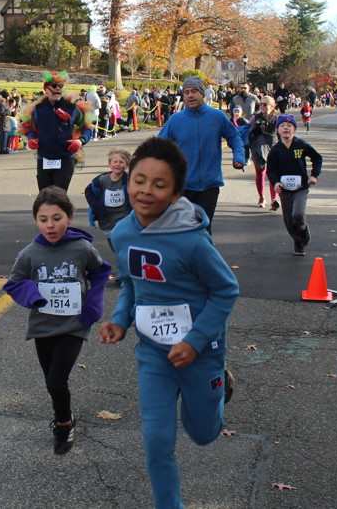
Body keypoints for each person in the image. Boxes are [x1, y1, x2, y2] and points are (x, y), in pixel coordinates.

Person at [99, 137, 238, 509]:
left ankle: (219, 383)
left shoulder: (192, 241)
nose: (146, 191)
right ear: (128, 181)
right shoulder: (122, 234)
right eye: (139, 180)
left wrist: (195, 341)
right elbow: (132, 283)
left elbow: (226, 290)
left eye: (159, 185)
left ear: (176, 194)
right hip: (153, 353)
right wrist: (120, 321)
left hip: (201, 351)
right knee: (157, 441)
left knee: (204, 435)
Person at [2, 186, 110, 455]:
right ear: (36, 220)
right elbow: (14, 283)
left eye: (57, 218)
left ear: (69, 217)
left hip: (74, 325)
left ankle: (64, 423)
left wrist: (93, 306)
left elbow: (100, 271)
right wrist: (33, 295)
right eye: (43, 219)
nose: (50, 225)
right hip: (43, 326)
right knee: (51, 380)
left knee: (56, 381)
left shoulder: (81, 248)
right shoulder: (30, 253)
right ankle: (63, 414)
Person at [157, 76, 244, 234]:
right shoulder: (175, 120)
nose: (190, 95)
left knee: (204, 228)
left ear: (202, 93)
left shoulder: (217, 116)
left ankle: (204, 249)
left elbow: (234, 137)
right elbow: (158, 148)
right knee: (185, 229)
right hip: (183, 186)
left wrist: (239, 157)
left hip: (210, 185)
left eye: (194, 91)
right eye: (186, 92)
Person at [21, 71, 94, 192]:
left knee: (59, 195)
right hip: (44, 158)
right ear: (46, 89)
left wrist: (80, 141)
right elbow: (31, 129)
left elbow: (87, 128)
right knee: (45, 195)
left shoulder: (72, 108)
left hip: (65, 158)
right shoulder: (38, 109)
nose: (58, 88)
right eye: (54, 86)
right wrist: (31, 139)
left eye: (61, 86)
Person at [266, 114, 322, 256]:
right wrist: (275, 182)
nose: (286, 128)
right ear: (278, 130)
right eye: (282, 126)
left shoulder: (301, 144)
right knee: (289, 220)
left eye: (289, 126)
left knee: (298, 213)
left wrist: (314, 175)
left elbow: (317, 157)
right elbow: (271, 170)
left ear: (294, 129)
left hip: (300, 188)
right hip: (284, 189)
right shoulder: (275, 150)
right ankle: (298, 241)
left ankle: (303, 232)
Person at [83, 149, 131, 274]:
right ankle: (123, 269)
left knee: (123, 246)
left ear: (127, 165)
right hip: (107, 220)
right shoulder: (101, 180)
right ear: (109, 164)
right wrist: (98, 207)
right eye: (115, 161)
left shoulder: (129, 180)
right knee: (115, 248)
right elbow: (88, 192)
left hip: (124, 218)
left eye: (122, 162)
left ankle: (123, 272)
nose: (118, 164)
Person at [248, 96, 279, 209]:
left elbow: (282, 135)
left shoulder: (277, 119)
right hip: (258, 149)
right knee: (260, 173)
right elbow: (248, 132)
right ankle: (261, 197)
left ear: (272, 106)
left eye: (265, 104)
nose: (262, 106)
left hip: (273, 148)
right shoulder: (255, 118)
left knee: (272, 174)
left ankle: (274, 199)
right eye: (260, 104)